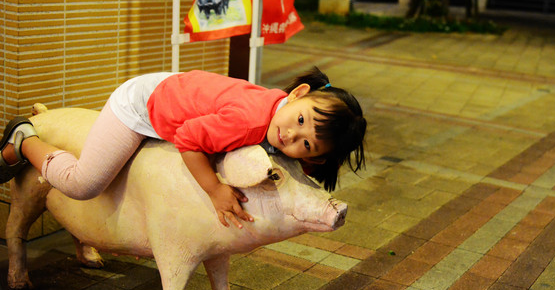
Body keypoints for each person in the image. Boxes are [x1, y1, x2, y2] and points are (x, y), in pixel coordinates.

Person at [0, 67, 366, 228]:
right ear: (298, 94)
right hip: (139, 105)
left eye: (306, 144)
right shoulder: (250, 121)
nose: (290, 137)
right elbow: (190, 139)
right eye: (300, 121)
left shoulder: (277, 109)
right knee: (85, 184)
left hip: (170, 89)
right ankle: (24, 140)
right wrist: (215, 190)